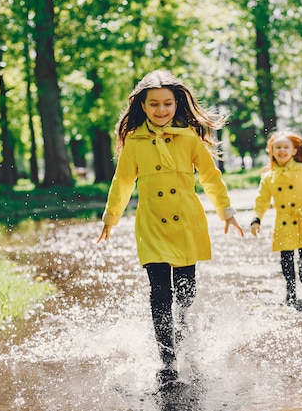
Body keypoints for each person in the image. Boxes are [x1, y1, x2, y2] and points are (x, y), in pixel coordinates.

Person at [97, 69, 244, 386]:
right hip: (152, 225)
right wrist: (111, 218)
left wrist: (226, 212)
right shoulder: (134, 142)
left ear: (177, 104)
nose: (161, 110)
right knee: (160, 292)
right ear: (143, 106)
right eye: (154, 104)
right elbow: (122, 182)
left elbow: (210, 178)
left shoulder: (190, 138)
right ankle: (167, 357)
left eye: (167, 103)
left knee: (186, 291)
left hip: (186, 223)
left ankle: (183, 327)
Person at [250, 131, 302, 306]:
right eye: (278, 147)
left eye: (286, 147)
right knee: (286, 258)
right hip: (283, 221)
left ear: (293, 151)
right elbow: (262, 200)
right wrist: (256, 219)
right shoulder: (268, 177)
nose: (282, 151)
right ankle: (290, 289)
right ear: (272, 151)